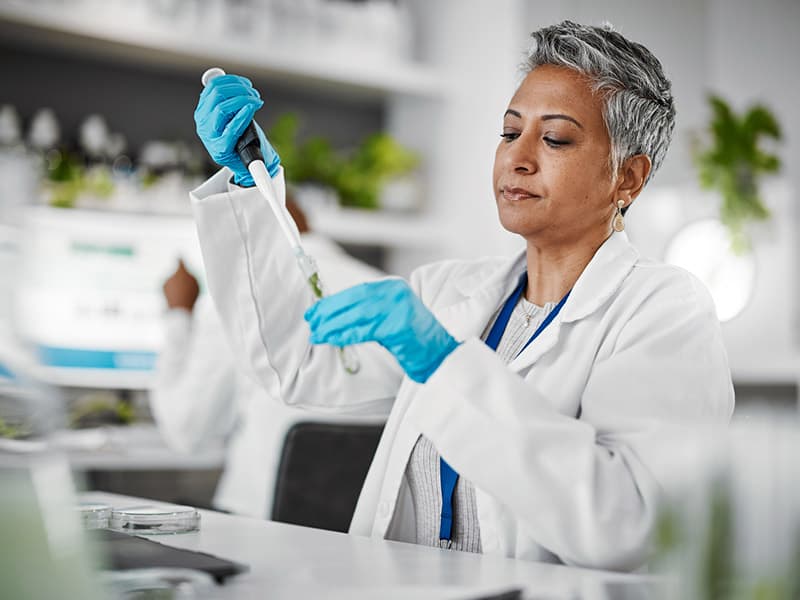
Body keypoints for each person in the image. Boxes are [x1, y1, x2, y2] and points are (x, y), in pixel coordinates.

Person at [189, 21, 734, 571]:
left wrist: (443, 362)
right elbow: (295, 366)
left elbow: (628, 526)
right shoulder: (448, 292)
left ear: (628, 178)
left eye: (556, 138)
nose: (517, 158)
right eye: (509, 132)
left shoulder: (665, 311)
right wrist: (248, 185)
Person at [149, 198, 387, 518]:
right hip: (364, 534)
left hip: (260, 531)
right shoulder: (389, 293)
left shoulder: (244, 302)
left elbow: (185, 432)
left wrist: (179, 314)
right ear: (303, 217)